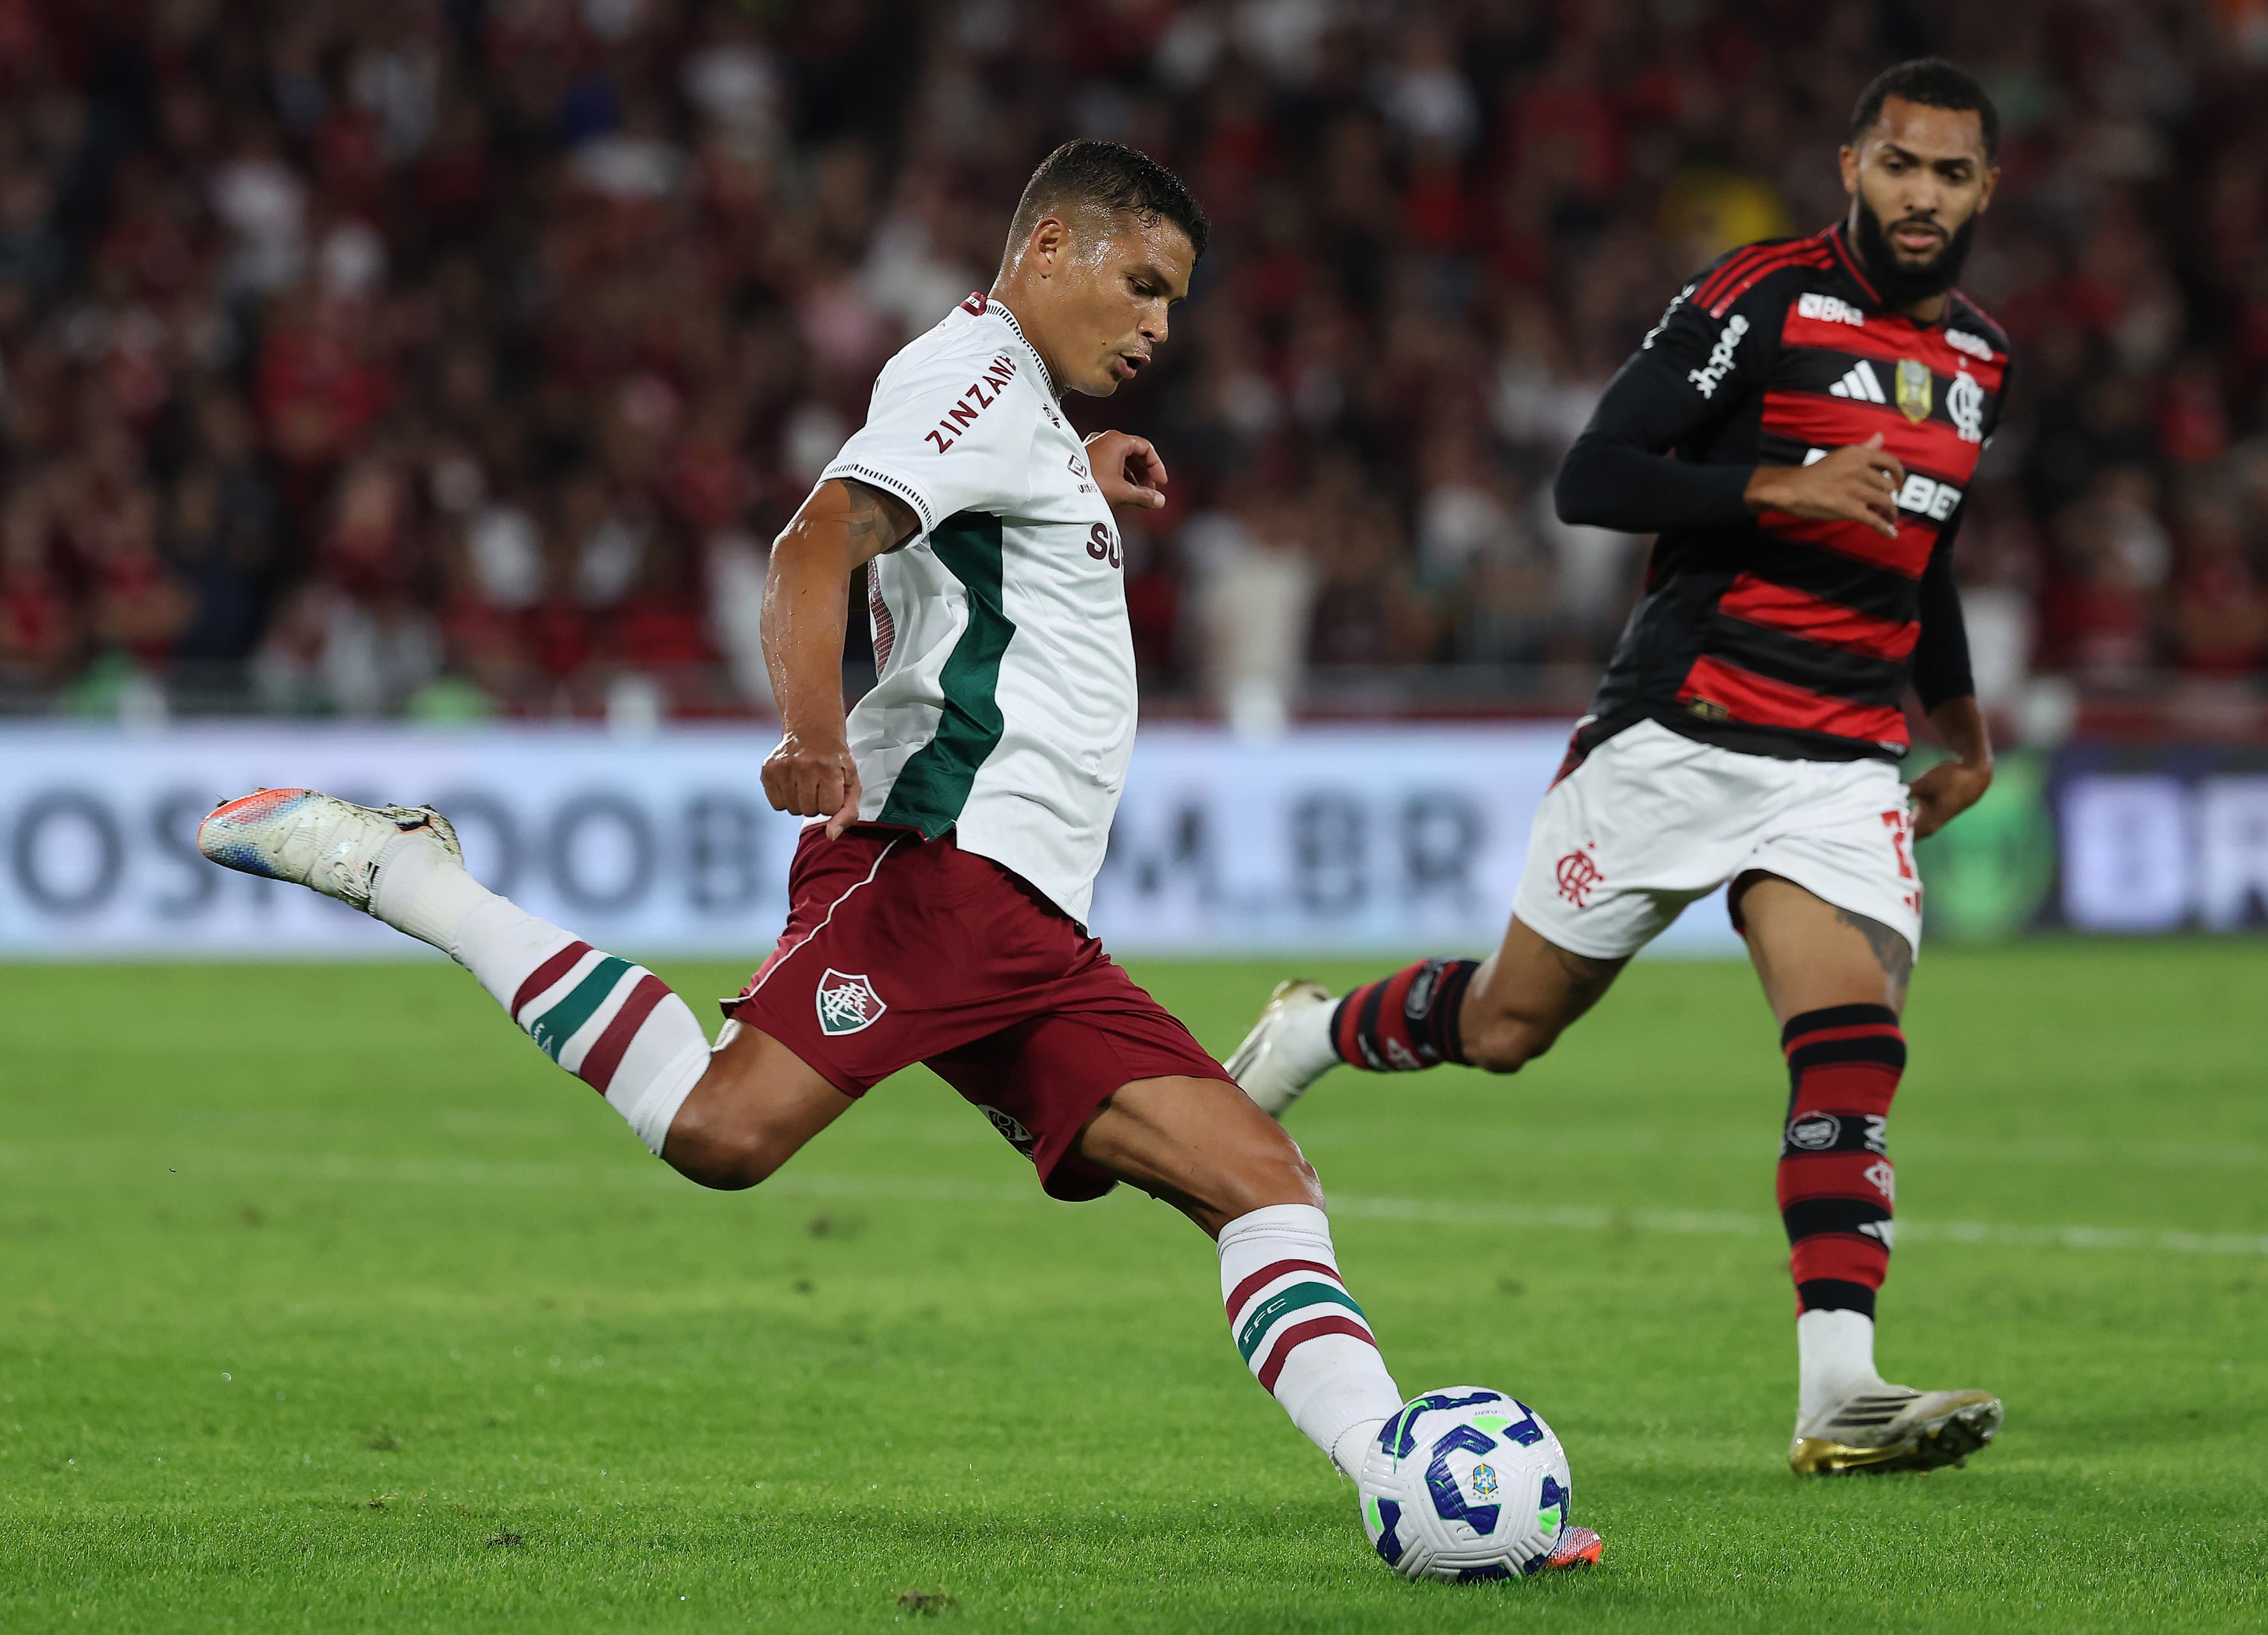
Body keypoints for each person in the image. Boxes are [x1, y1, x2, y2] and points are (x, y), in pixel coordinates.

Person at [197, 139, 1601, 1567]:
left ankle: (1395, 1477)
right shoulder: (972, 381)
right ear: (1048, 248)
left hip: (1029, 918)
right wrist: (813, 731)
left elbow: (965, 525)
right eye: (1144, 285)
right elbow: (814, 548)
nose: (1160, 329)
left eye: (1175, 305)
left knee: (1260, 1180)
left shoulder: (1021, 413)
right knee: (723, 1133)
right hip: (939, 863)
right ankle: (415, 877)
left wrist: (1071, 473)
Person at [1227, 62, 2013, 1477]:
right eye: (1902, 165)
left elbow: (1929, 552)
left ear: (1985, 191)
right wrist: (1776, 486)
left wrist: (1961, 724)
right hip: (1684, 728)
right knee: (1511, 1024)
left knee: (1851, 1043)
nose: (1923, 196)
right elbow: (1591, 476)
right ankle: (1310, 1032)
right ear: (1852, 165)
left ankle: (1841, 1389)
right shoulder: (1759, 298)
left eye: (1951, 175)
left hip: (1841, 758)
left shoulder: (1983, 363)